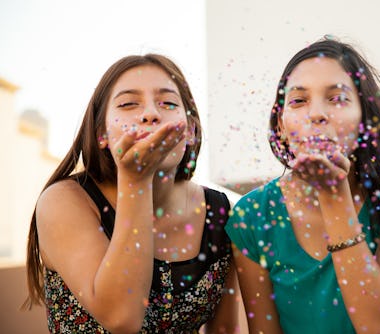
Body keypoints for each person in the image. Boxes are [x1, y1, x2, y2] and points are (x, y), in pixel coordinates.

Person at [225, 37, 380, 333]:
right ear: (281, 124)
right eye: (298, 100)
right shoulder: (253, 215)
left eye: (336, 98)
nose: (316, 113)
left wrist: (334, 196)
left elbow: (378, 327)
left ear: (364, 120)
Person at [24, 54, 240, 333]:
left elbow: (224, 328)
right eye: (128, 104)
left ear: (191, 132)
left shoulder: (219, 212)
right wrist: (136, 181)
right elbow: (121, 318)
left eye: (169, 103)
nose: (150, 113)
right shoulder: (66, 201)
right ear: (102, 133)